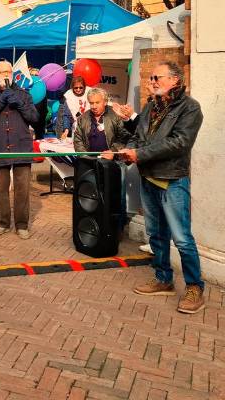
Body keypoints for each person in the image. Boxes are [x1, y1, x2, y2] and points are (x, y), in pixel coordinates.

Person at [114, 61, 205, 314]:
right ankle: (164, 279)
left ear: (175, 80)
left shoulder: (190, 108)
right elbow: (140, 137)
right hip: (149, 178)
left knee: (183, 239)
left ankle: (195, 287)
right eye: (151, 77)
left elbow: (180, 143)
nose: (152, 80)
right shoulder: (152, 106)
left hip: (173, 181)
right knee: (156, 235)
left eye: (158, 77)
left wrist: (139, 154)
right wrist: (124, 151)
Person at [0, 60, 39, 240]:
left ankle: (21, 225)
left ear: (13, 74)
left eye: (8, 72)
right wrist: (1, 99)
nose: (5, 75)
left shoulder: (23, 93)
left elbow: (34, 117)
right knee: (2, 189)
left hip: (21, 146)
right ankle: (2, 223)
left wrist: (18, 102)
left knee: (22, 189)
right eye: (2, 72)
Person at [73, 88, 131, 153]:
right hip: (88, 160)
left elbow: (124, 138)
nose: (94, 106)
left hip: (110, 160)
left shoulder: (115, 115)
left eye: (97, 102)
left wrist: (112, 151)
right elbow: (78, 140)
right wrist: (84, 156)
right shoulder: (83, 118)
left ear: (105, 102)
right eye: (91, 103)